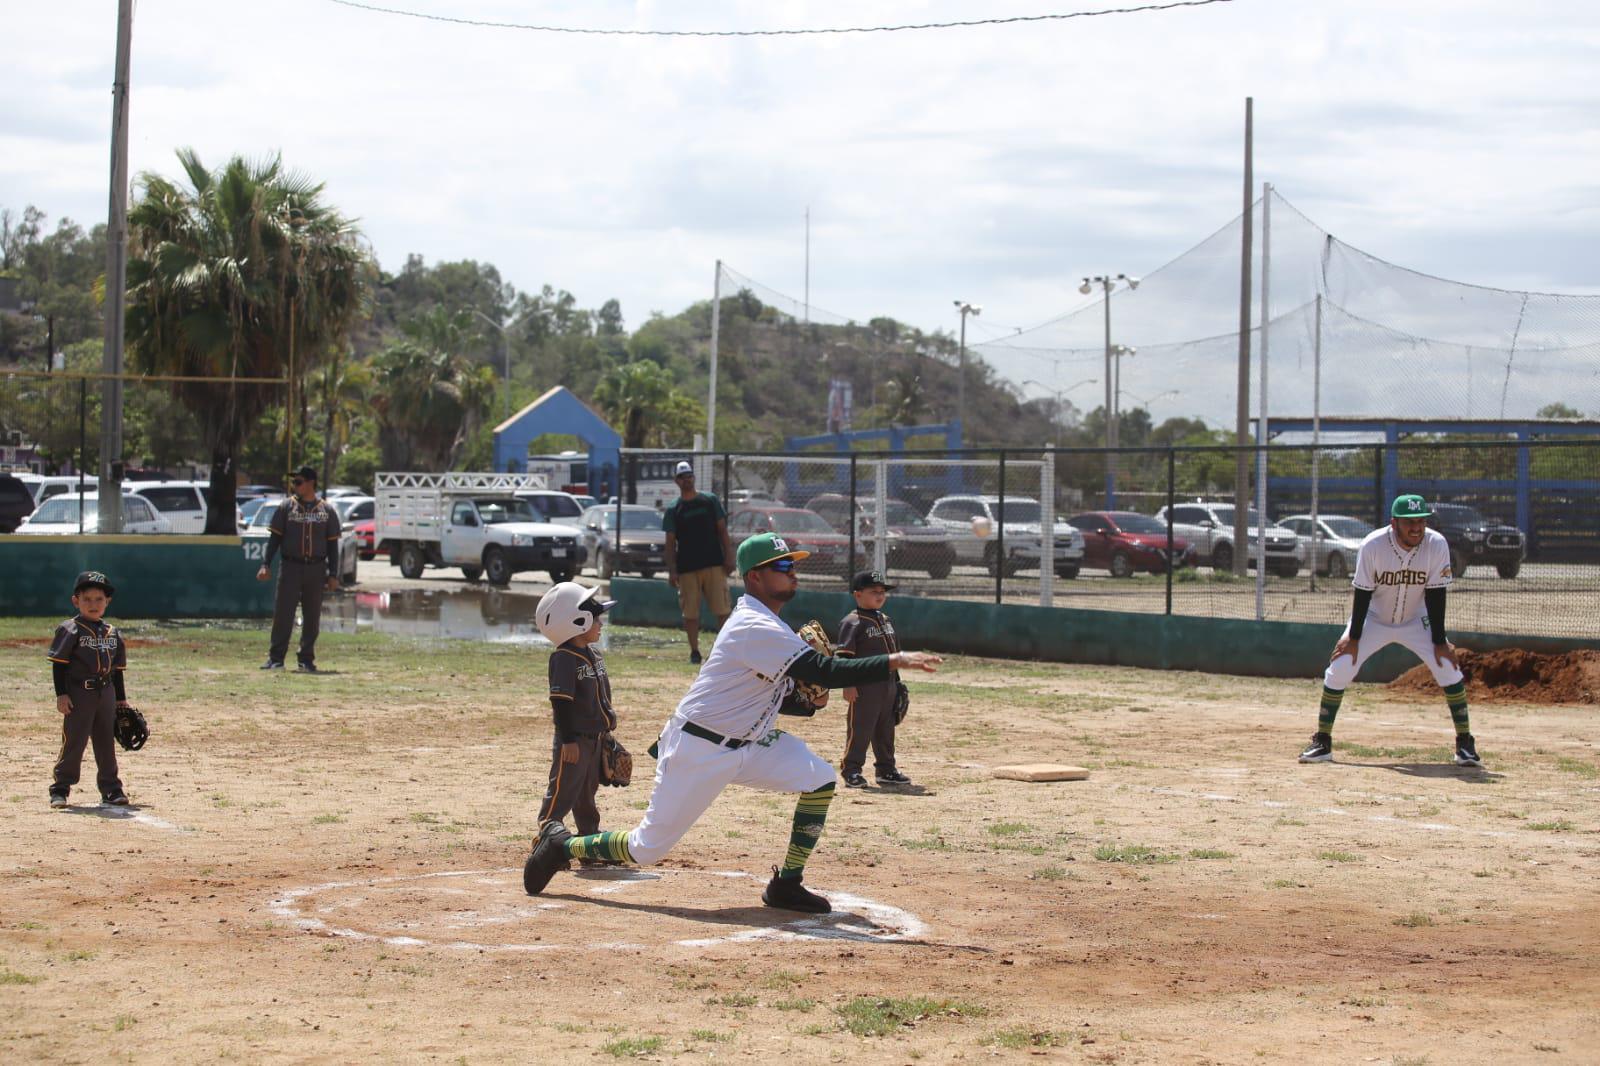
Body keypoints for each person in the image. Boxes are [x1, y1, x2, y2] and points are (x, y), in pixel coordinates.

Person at [522, 532, 943, 912]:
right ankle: (562, 845)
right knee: (645, 848)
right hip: (700, 748)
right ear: (754, 578)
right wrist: (894, 659)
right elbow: (826, 671)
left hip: (750, 743)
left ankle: (787, 884)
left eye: (793, 565)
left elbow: (783, 697)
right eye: (782, 566)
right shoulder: (752, 625)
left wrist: (807, 702)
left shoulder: (770, 625)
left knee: (819, 778)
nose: (792, 572)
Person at [1298, 493, 1480, 767]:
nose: (1417, 527)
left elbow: (1436, 595)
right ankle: (1322, 741)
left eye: (1421, 521)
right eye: (1409, 522)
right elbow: (1362, 592)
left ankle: (1465, 744)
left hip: (1417, 618)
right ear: (1394, 523)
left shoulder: (1436, 544)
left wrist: (1440, 640)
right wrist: (1354, 637)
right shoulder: (1373, 545)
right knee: (1340, 667)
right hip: (1374, 616)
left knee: (1448, 668)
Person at [534, 582, 620, 864]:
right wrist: (568, 739)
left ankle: (587, 841)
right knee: (563, 791)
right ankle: (546, 838)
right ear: (576, 622)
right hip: (575, 740)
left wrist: (606, 734)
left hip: (594, 738)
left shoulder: (593, 654)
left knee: (586, 794)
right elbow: (561, 703)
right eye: (596, 618)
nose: (600, 623)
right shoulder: (564, 658)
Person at [47, 571, 133, 809]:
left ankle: (112, 789)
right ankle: (61, 788)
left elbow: (117, 671)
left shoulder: (113, 633)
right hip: (79, 694)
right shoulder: (70, 629)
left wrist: (121, 700)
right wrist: (61, 694)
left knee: (106, 741)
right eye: (87, 599)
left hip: (106, 693)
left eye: (99, 599)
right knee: (74, 740)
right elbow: (59, 665)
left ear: (108, 602)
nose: (93, 605)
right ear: (76, 601)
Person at [256, 465, 342, 672]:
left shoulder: (326, 511)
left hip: (316, 568)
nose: (295, 485)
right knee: (283, 614)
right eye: (294, 482)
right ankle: (276, 658)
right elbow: (274, 539)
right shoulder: (286, 507)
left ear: (311, 483)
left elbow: (332, 545)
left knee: (312, 617)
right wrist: (265, 564)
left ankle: (306, 659)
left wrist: (333, 574)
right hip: (291, 567)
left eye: (299, 482)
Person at [836, 569, 912, 789]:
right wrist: (848, 684)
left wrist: (897, 685)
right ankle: (851, 770)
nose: (880, 595)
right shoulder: (853, 622)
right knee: (860, 729)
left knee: (885, 730)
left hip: (887, 685)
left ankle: (886, 770)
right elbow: (843, 657)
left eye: (883, 592)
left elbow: (893, 656)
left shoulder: (885, 620)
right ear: (857, 594)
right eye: (873, 591)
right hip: (864, 686)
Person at [662, 460, 735, 665]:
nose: (687, 480)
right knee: (690, 613)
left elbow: (722, 531)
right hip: (687, 569)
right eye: (683, 477)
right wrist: (672, 570)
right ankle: (695, 652)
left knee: (722, 610)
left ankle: (723, 651)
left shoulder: (709, 501)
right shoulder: (674, 509)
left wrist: (729, 556)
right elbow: (669, 543)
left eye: (690, 476)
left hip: (713, 564)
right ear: (677, 481)